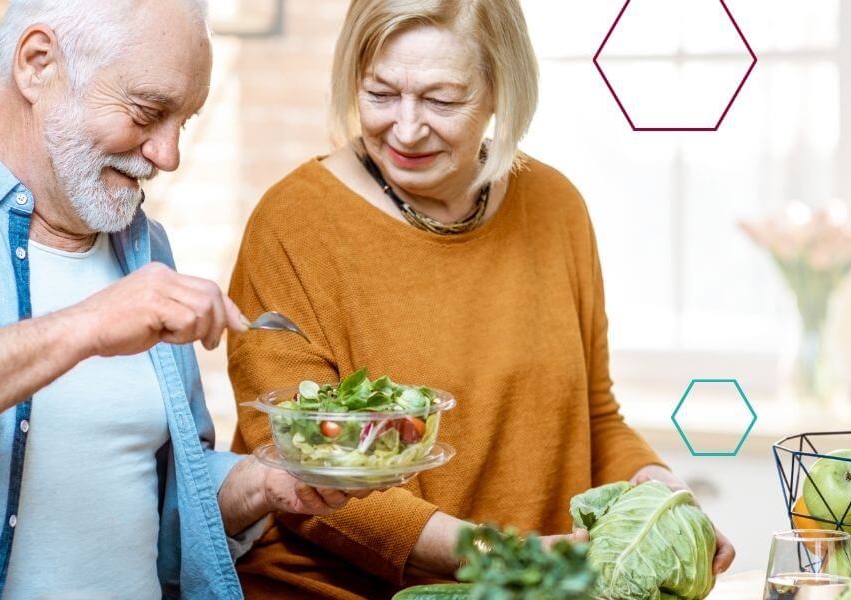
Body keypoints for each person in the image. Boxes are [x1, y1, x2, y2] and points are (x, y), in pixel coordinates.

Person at [0, 1, 363, 598]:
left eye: (181, 122)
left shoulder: (144, 246)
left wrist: (261, 484)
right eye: (147, 111)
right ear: (37, 64)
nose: (168, 155)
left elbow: (147, 513)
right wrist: (86, 325)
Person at [225, 0, 738, 597]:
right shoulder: (292, 224)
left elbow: (594, 416)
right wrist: (504, 557)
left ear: (502, 89)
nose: (408, 128)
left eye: (443, 100)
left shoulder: (556, 207)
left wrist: (659, 496)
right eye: (381, 93)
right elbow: (299, 472)